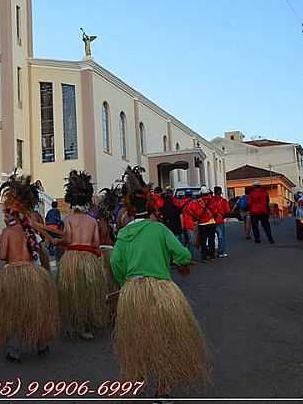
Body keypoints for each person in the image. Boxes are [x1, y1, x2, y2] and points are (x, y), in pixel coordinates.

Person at [110, 167, 210, 400]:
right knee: (166, 339)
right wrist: (178, 262)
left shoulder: (124, 234)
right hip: (162, 290)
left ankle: (139, 384)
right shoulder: (159, 229)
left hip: (133, 292)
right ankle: (163, 391)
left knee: (136, 339)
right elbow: (183, 255)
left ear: (131, 210)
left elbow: (115, 263)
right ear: (150, 206)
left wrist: (127, 281)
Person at [0, 173, 59, 363]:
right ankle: (41, 344)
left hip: (14, 275)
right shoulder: (29, 230)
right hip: (33, 274)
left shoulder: (8, 232)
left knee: (15, 312)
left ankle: (15, 349)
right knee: (35, 310)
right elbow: (37, 250)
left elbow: (3, 255)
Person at [56, 170, 108, 340]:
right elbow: (96, 244)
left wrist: (58, 241)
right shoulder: (92, 221)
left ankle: (73, 325)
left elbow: (68, 239)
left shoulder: (68, 219)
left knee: (71, 293)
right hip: (88, 260)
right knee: (87, 293)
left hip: (70, 260)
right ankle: (85, 327)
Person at [188, 187, 217, 260]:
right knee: (211, 239)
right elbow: (215, 210)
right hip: (211, 221)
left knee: (203, 240)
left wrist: (197, 217)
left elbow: (192, 211)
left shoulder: (198, 202)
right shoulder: (212, 200)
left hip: (202, 223)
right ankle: (212, 255)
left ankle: (203, 256)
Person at [211, 187, 231, 258]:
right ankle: (221, 252)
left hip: (210, 221)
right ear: (220, 192)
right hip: (219, 221)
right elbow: (228, 211)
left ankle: (211, 253)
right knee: (221, 237)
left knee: (211, 238)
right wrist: (222, 216)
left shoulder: (210, 200)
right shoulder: (223, 201)